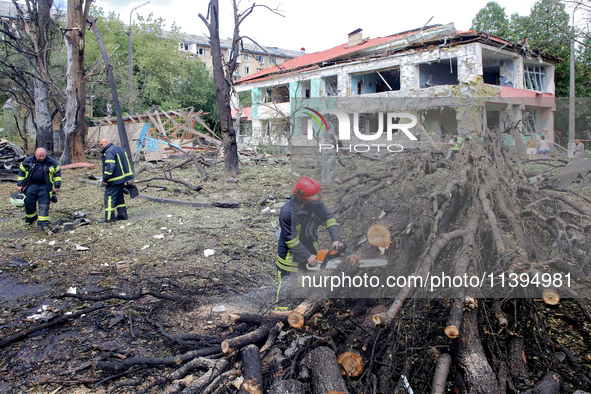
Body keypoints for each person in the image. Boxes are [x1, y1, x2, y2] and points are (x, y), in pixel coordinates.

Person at [275, 176, 345, 309]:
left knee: (314, 281)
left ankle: (311, 308)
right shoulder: (287, 212)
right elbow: (292, 240)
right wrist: (307, 256)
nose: (315, 199)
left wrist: (336, 239)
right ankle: (280, 315)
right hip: (290, 254)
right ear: (301, 196)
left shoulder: (314, 203)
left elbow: (329, 217)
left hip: (310, 246)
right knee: (288, 286)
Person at [16, 148, 61, 231]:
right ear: (35, 154)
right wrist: (20, 184)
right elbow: (21, 172)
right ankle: (31, 219)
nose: (41, 158)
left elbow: (57, 174)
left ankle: (43, 223)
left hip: (45, 185)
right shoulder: (28, 161)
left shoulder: (51, 162)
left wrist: (57, 186)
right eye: (39, 156)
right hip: (31, 185)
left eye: (43, 156)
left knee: (44, 204)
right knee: (29, 202)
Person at [99, 138, 134, 222]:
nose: (101, 147)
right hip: (122, 178)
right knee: (119, 197)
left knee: (110, 198)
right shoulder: (119, 149)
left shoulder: (109, 152)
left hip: (114, 179)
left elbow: (110, 167)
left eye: (101, 144)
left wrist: (105, 179)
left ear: (106, 142)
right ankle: (122, 215)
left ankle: (109, 218)